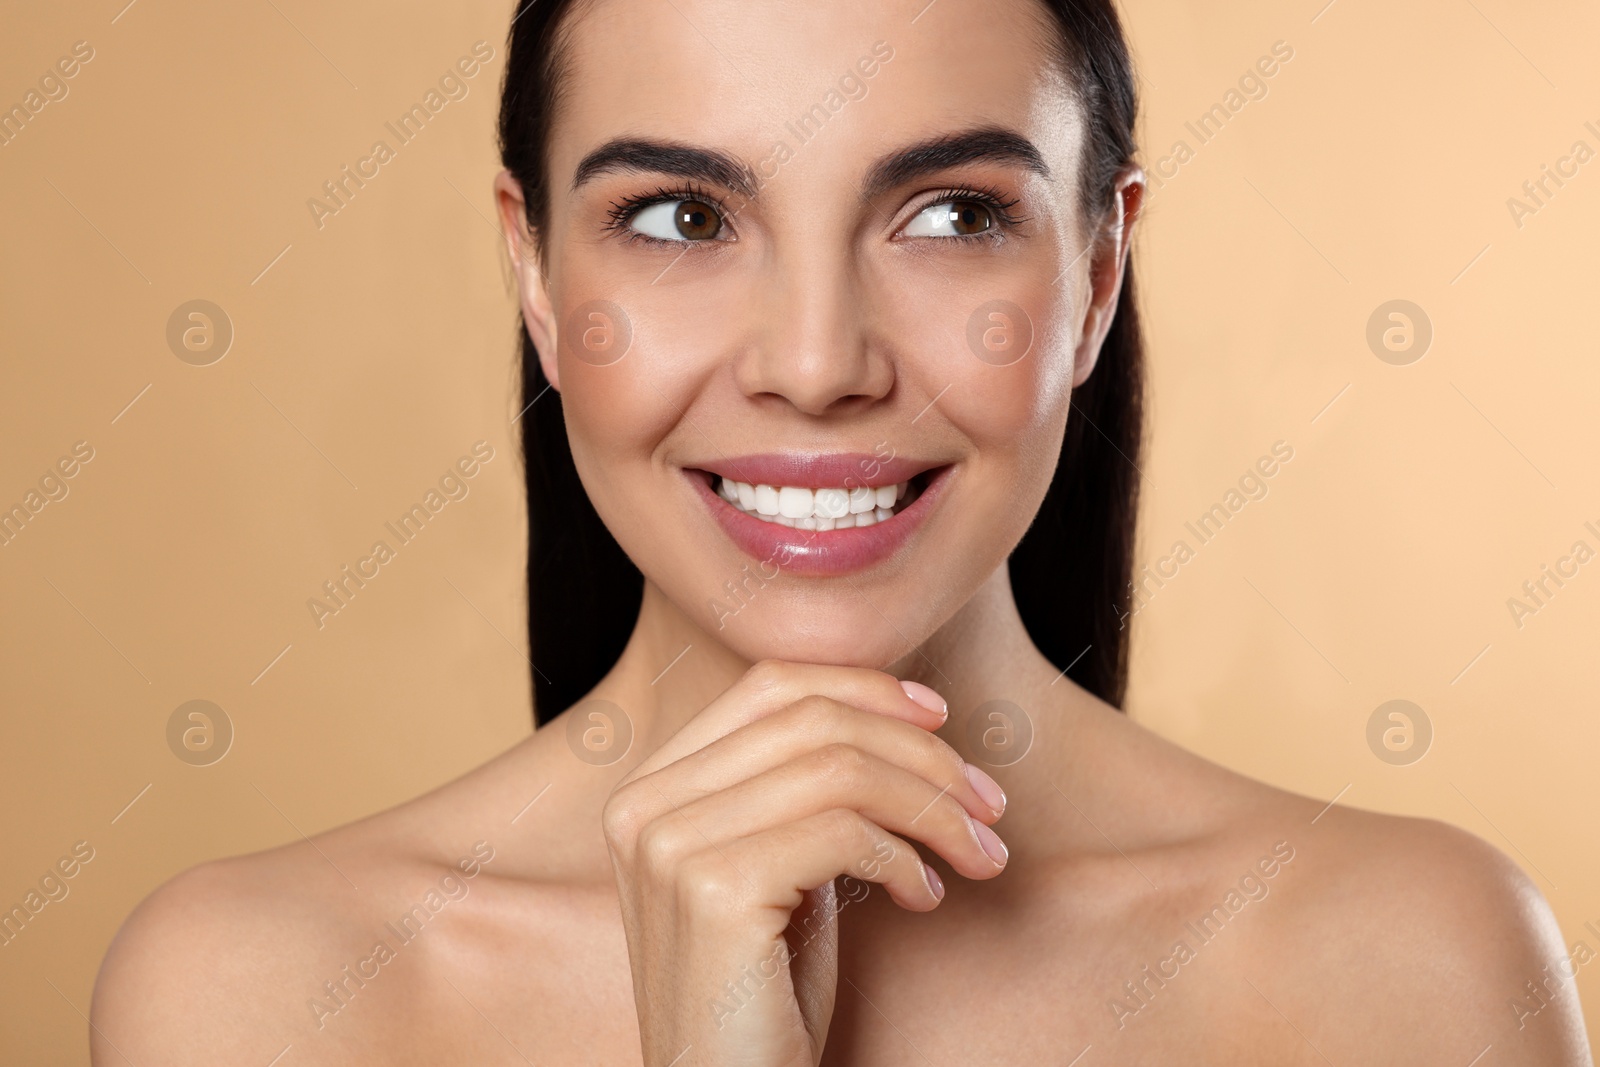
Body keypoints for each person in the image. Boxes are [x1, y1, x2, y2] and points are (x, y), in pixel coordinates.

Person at [91, 0, 1593, 1063]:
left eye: (948, 214)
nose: (815, 366)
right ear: (534, 275)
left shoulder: (1410, 970)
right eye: (682, 218)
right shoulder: (260, 1001)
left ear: (1099, 271)